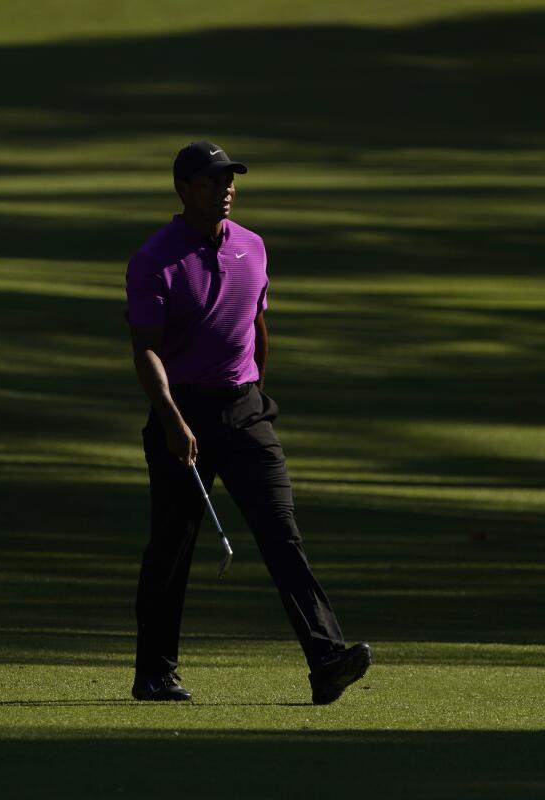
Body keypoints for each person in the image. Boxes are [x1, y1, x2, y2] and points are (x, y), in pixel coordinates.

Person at [125, 140, 371, 704]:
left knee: (282, 534)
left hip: (244, 411)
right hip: (179, 412)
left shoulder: (253, 247)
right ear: (183, 190)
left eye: (228, 179)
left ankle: (327, 660)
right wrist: (170, 418)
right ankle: (155, 673)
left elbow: (258, 324)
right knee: (171, 546)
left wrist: (255, 389)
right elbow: (145, 349)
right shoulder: (154, 259)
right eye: (211, 181)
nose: (225, 188)